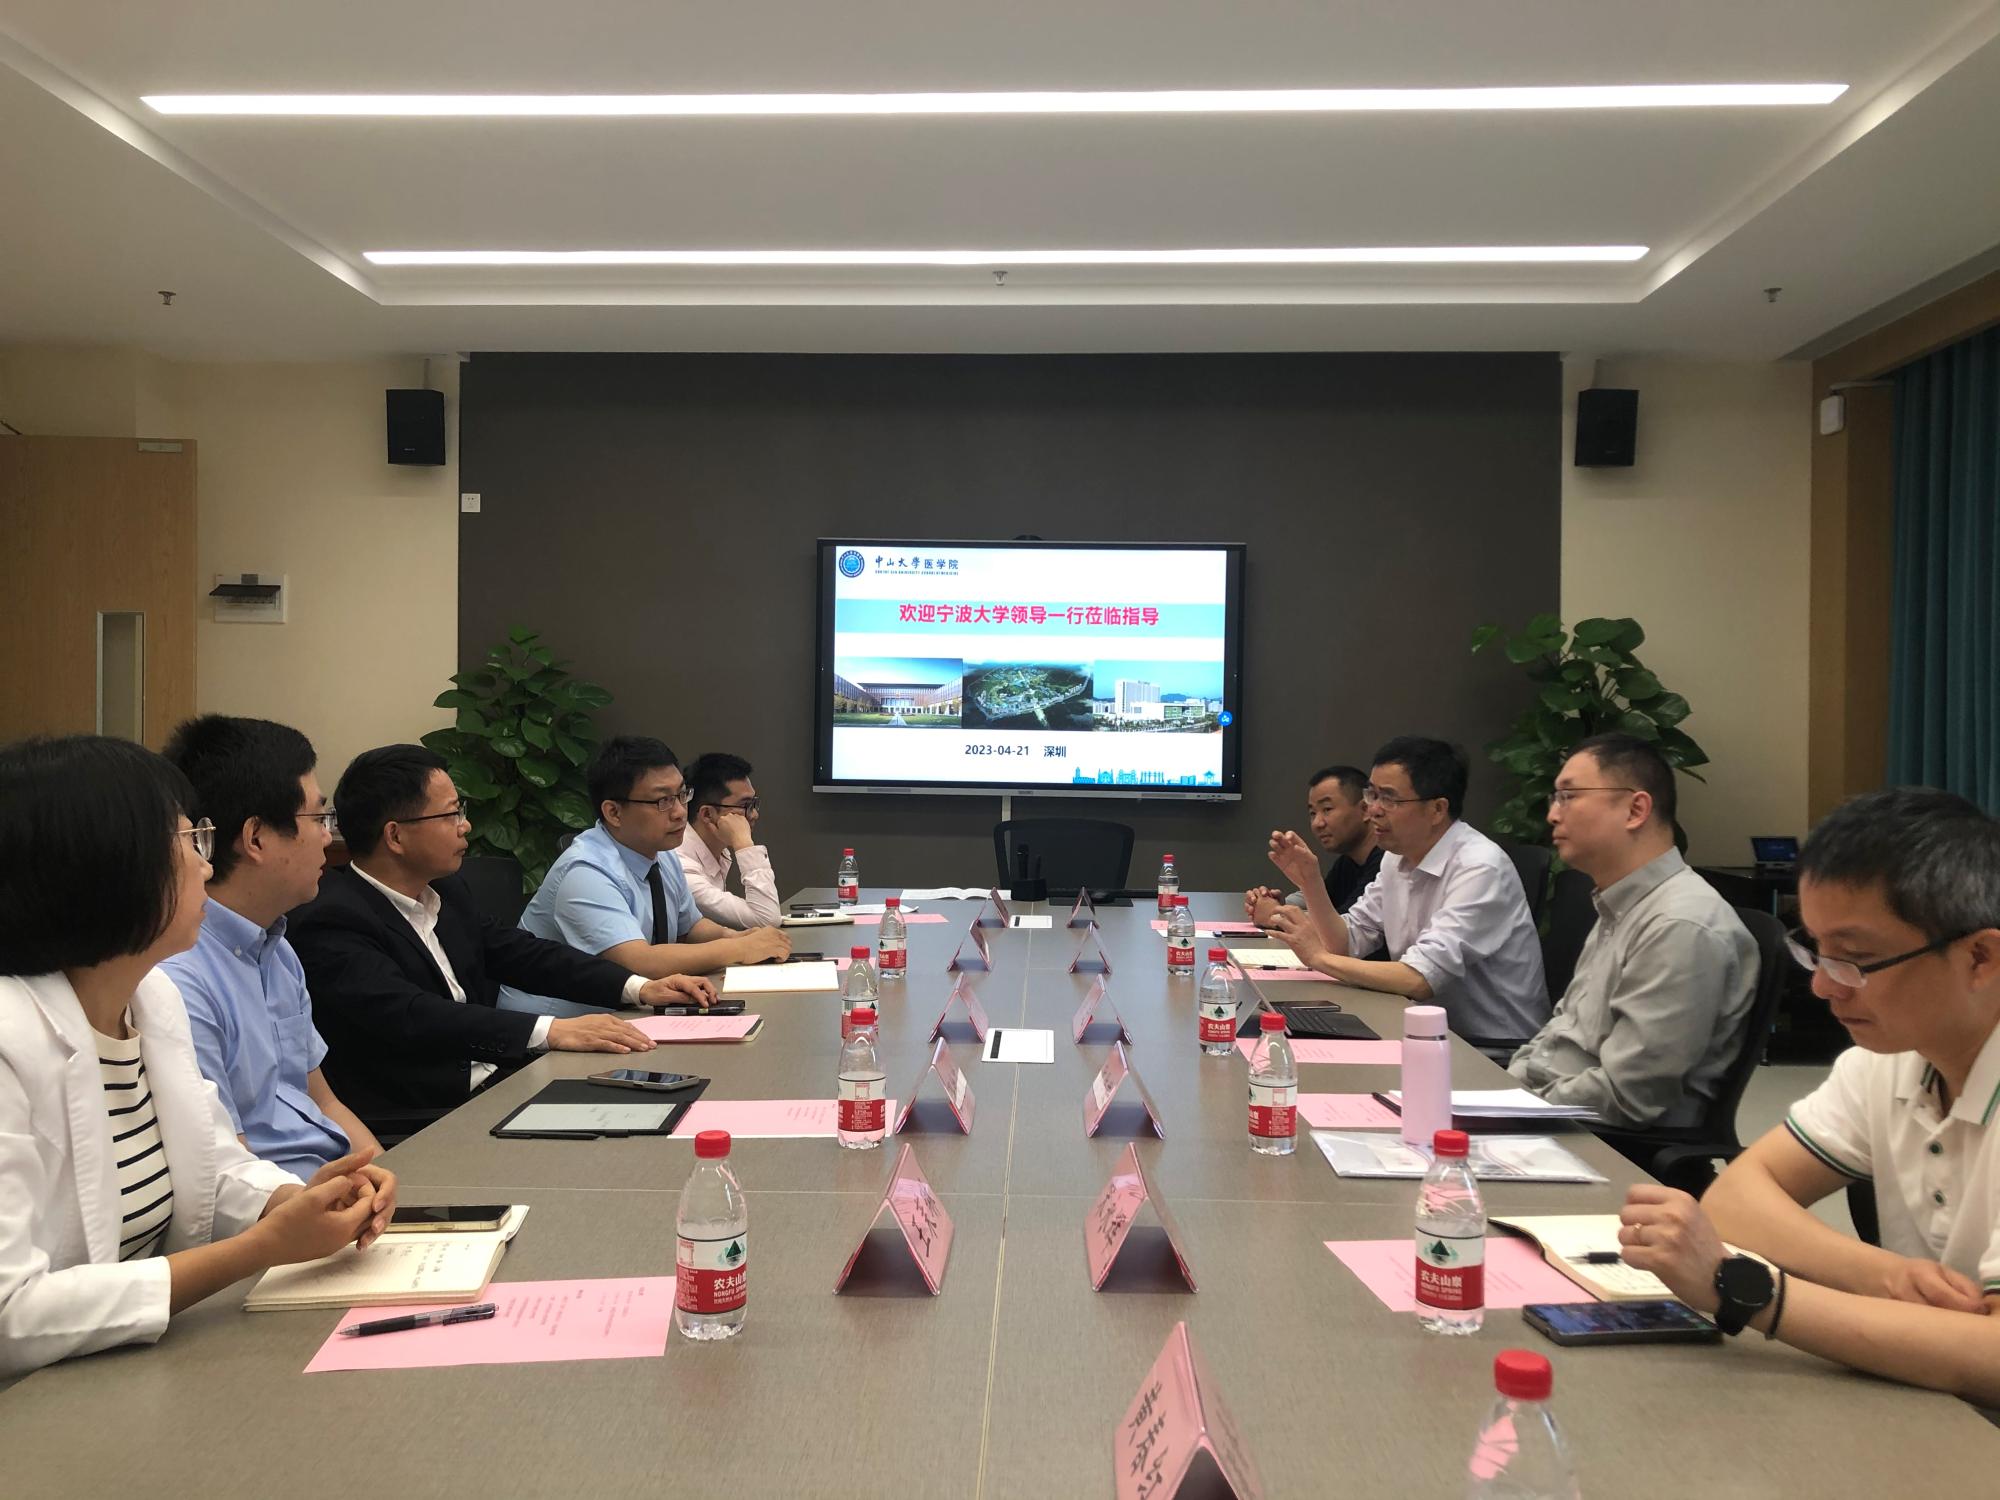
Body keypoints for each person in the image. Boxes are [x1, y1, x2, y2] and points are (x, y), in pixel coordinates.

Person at [0, 735, 394, 1378]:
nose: (207, 869)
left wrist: (294, 1202)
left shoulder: (150, 999)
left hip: (131, 1369)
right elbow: (10, 1314)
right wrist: (260, 1248)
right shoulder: (9, 1039)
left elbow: (213, 1167)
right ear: (107, 864)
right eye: (190, 842)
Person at [1616, 788, 2000, 1404]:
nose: (1823, 986)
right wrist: (1885, 1277)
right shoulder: (1887, 1063)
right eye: (1817, 950)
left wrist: (1749, 1291)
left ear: (1980, 957)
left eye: (1856, 959)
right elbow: (1736, 1199)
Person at [289, 745, 710, 1137]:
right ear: (396, 836)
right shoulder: (332, 919)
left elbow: (523, 953)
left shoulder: (445, 890)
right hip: (428, 1119)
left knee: (673, 1105)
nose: (466, 825)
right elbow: (412, 1014)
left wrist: (639, 988)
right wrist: (551, 1030)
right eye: (451, 814)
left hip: (500, 1084)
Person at [156, 715, 382, 1178]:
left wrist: (396, 1182)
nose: (328, 836)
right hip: (281, 1205)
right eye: (318, 818)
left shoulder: (276, 948)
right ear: (256, 837)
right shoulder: (178, 979)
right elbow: (230, 1171)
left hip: (334, 1185)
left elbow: (325, 1102)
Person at [1506, 734, 1759, 1129]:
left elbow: (1629, 1094)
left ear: (1635, 810)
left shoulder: (1679, 925)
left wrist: (1520, 1108)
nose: (1553, 814)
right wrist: (1507, 1089)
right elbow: (1562, 1028)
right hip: (1549, 1113)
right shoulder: (1621, 904)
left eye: (1569, 796)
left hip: (1605, 1144)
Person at [1266, 736, 1548, 1041]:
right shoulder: (1396, 859)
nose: (1373, 810)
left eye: (1389, 799)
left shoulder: (1480, 867)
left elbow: (1419, 978)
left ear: (1437, 809)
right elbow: (1346, 942)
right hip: (1420, 1027)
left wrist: (1318, 958)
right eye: (1372, 795)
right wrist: (1310, 883)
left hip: (1490, 1048)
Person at [498, 737, 788, 1018]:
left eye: (681, 795)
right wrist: (738, 948)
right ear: (614, 812)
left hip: (624, 1013)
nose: (679, 812)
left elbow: (690, 927)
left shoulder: (662, 854)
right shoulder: (585, 871)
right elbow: (638, 962)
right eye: (663, 801)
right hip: (553, 1026)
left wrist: (737, 936)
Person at [1244, 763, 1385, 958]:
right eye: (1313, 813)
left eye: (1327, 809)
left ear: (1365, 810)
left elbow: (1341, 931)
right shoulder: (1349, 861)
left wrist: (1276, 914)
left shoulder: (1385, 863)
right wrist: (1279, 904)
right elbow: (1324, 908)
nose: (1318, 823)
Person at [676, 751, 782, 929]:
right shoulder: (682, 867)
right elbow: (766, 919)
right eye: (745, 805)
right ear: (707, 814)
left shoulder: (718, 852)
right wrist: (744, 844)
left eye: (754, 804)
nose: (754, 814)